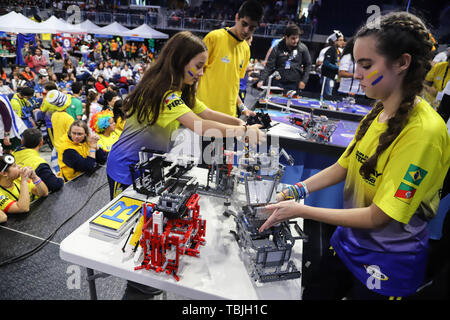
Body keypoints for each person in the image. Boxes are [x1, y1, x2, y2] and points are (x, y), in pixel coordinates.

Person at [259, 12, 450, 300]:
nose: (355, 73)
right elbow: (344, 165)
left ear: (402, 63)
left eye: (366, 65)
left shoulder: (424, 133)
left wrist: (300, 209)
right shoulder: (379, 110)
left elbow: (379, 217)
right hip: (347, 243)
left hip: (386, 264)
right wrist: (296, 190)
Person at [106, 30, 265, 200]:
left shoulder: (179, 91)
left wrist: (240, 123)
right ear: (180, 61)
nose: (202, 73)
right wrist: (244, 131)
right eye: (198, 66)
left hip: (147, 167)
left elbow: (208, 113)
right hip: (124, 168)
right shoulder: (165, 95)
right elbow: (200, 126)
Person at [196, 0, 264, 118]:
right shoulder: (214, 38)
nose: (246, 30)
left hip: (229, 115)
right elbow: (193, 75)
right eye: (244, 24)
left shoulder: (246, 49)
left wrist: (242, 107)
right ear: (237, 17)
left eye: (252, 28)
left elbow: (232, 85)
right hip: (205, 114)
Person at [257, 24, 312, 92]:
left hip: (295, 84)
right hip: (278, 84)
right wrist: (261, 80)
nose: (296, 40)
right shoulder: (277, 48)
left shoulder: (303, 48)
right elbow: (269, 66)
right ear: (286, 37)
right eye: (293, 38)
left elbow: (308, 65)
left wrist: (304, 81)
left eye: (297, 38)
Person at [13, 128, 64, 193]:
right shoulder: (39, 163)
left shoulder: (12, 156)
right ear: (41, 142)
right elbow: (54, 185)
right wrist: (60, 180)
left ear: (22, 141)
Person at [0, 154, 48, 220]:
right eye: (14, 166)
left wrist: (35, 177)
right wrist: (24, 181)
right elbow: (23, 208)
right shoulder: (1, 193)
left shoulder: (18, 179)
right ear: (4, 173)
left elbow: (44, 193)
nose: (19, 166)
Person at [321, 30, 344, 96]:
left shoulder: (338, 51)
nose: (342, 42)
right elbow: (326, 63)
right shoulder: (331, 50)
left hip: (334, 76)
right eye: (340, 40)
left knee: (332, 95)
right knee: (328, 95)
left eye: (342, 40)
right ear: (335, 41)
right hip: (327, 76)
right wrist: (338, 68)